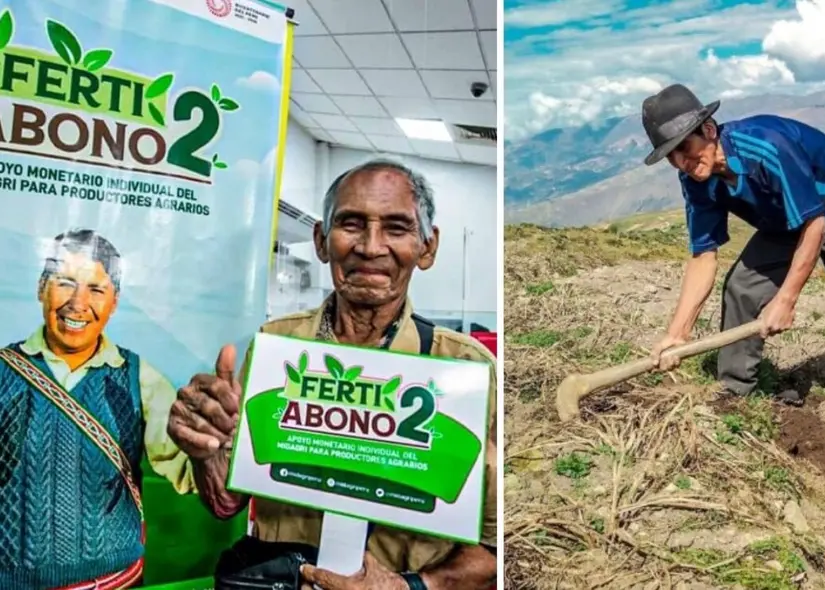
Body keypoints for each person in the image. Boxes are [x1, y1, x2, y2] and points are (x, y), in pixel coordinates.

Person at [167, 159, 498, 589]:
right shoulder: (276, 348)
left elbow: (496, 545)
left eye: (396, 228)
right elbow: (225, 501)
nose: (371, 246)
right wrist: (205, 449)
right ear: (322, 242)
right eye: (351, 224)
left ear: (427, 247)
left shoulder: (466, 369)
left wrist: (413, 587)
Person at [642, 83, 825, 441]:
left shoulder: (766, 147)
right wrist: (677, 333)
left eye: (685, 148)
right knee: (740, 288)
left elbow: (815, 225)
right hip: (786, 220)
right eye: (671, 156)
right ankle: (735, 392)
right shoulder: (695, 179)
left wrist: (785, 300)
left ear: (708, 130)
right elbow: (703, 256)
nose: (682, 162)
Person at [0, 228, 195, 589]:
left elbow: (187, 467)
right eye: (64, 283)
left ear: (114, 301)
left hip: (115, 581)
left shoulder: (139, 378)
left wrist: (219, 446)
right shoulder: (3, 371)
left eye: (96, 289)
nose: (78, 302)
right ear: (41, 287)